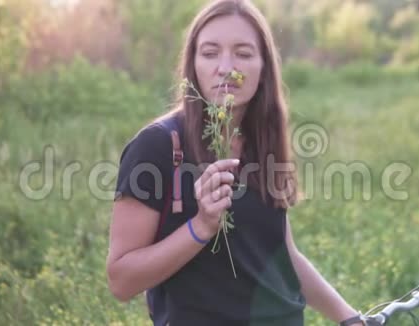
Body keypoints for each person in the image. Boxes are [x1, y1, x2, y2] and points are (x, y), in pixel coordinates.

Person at [106, 0, 364, 325]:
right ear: (193, 65)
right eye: (210, 53)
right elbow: (121, 280)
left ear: (264, 67)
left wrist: (350, 318)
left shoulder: (263, 142)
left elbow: (283, 254)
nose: (226, 67)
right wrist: (201, 227)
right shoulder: (157, 146)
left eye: (243, 54)